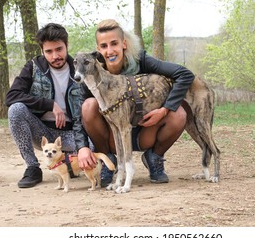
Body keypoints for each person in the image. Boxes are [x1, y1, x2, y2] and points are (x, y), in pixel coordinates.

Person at [77, 19, 195, 187]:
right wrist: (82, 147)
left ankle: (154, 156)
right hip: (112, 136)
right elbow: (78, 114)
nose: (109, 51)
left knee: (179, 113)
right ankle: (108, 160)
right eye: (104, 46)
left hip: (144, 130)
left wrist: (165, 109)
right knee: (88, 105)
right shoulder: (90, 70)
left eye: (114, 44)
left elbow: (185, 75)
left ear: (123, 44)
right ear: (98, 50)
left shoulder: (142, 61)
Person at [6, 23, 87, 188]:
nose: (55, 55)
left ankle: (70, 163)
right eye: (49, 51)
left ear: (67, 46)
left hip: (73, 133)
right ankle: (33, 167)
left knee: (89, 151)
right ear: (42, 51)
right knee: (16, 110)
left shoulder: (81, 68)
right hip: (42, 131)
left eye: (59, 49)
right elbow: (11, 96)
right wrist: (50, 104)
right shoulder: (33, 67)